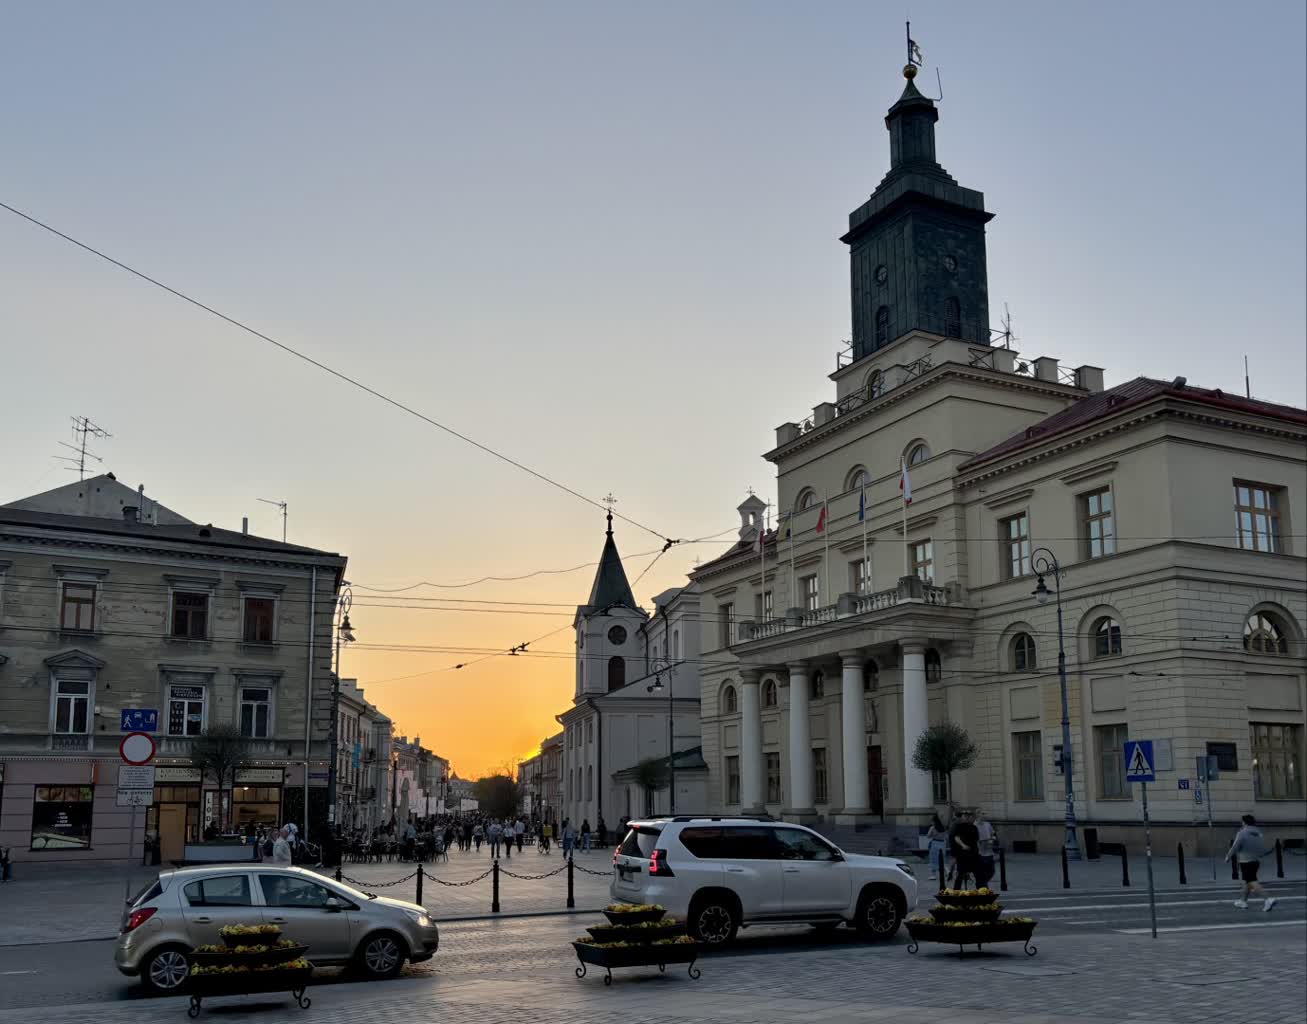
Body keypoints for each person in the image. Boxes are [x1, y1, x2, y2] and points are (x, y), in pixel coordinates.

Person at [1226, 814, 1277, 911]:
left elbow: (1235, 846)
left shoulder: (1242, 833)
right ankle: (1243, 901)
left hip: (1245, 861)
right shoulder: (1258, 832)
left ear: (1244, 822)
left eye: (1242, 821)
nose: (1241, 823)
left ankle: (1267, 899)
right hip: (1255, 861)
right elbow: (1262, 846)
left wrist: (1228, 856)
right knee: (1248, 881)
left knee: (1251, 881)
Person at [948, 809, 980, 890]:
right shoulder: (958, 826)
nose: (967, 817)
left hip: (973, 853)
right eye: (965, 816)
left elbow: (977, 841)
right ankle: (956, 891)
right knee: (960, 874)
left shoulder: (974, 827)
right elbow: (956, 837)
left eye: (968, 816)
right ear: (962, 817)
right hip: (962, 854)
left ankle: (981, 890)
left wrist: (978, 851)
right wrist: (963, 845)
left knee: (978, 874)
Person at [974, 809, 998, 888]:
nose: (984, 815)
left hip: (989, 851)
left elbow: (993, 834)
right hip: (980, 853)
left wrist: (993, 838)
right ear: (977, 815)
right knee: (982, 872)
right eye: (983, 813)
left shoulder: (988, 824)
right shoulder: (974, 825)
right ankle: (982, 886)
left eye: (985, 813)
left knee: (992, 871)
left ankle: (981, 883)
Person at [926, 813, 948, 881]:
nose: (931, 822)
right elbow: (946, 837)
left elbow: (928, 836)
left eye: (932, 821)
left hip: (935, 844)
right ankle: (947, 871)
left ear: (934, 821)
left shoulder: (933, 828)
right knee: (942, 859)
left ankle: (933, 875)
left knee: (934, 860)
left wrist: (933, 835)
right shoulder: (943, 828)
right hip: (942, 844)